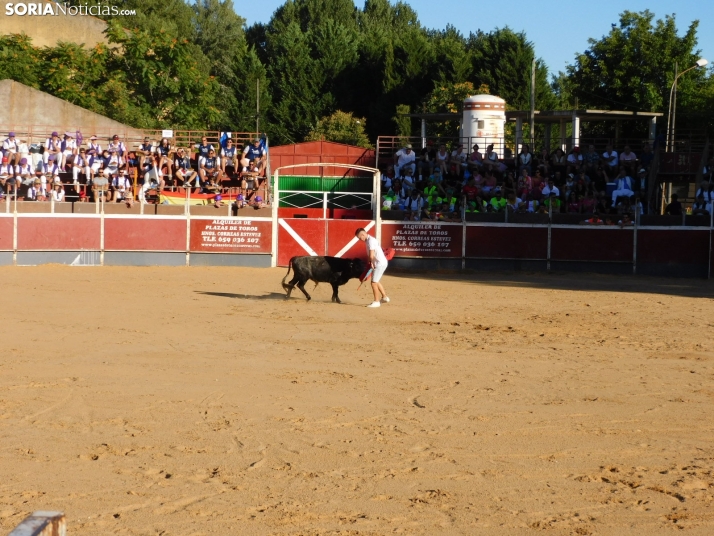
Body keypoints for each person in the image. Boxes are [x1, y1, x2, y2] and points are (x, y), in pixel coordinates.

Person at [355, 228, 389, 308]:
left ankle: (376, 301)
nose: (360, 239)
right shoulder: (369, 240)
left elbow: (371, 255)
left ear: (363, 234)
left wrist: (372, 263)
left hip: (379, 264)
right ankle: (384, 297)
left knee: (373, 282)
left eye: (360, 238)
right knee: (376, 281)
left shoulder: (370, 241)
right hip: (380, 262)